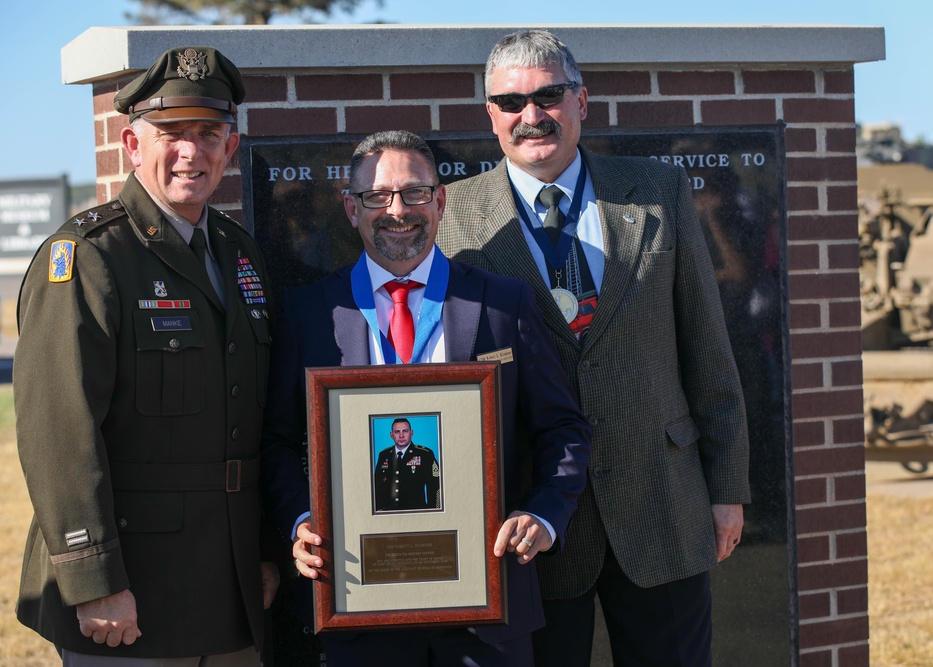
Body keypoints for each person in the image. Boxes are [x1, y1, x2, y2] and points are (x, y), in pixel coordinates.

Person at [437, 29, 751, 667]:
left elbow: (708, 348)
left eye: (549, 95)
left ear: (582, 101)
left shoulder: (657, 192)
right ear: (490, 115)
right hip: (531, 523)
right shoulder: (452, 215)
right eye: (511, 101)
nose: (532, 115)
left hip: (664, 500)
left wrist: (727, 487)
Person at [259, 129, 590, 666]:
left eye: (414, 193)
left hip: (487, 602)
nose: (398, 210)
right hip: (356, 603)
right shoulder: (308, 313)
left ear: (440, 201)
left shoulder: (504, 303)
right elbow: (275, 442)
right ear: (351, 208)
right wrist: (301, 522)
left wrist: (544, 515)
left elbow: (563, 429)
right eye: (377, 196)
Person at [14, 46, 278, 664]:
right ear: (132, 145)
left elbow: (257, 423)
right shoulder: (89, 257)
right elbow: (60, 431)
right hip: (129, 590)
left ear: (230, 149)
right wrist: (92, 578)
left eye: (208, 134)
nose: (192, 152)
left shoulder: (239, 253)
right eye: (172, 134)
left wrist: (265, 549)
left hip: (230, 583)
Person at [373, 417, 441, 511]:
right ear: (391, 435)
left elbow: (436, 487)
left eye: (405, 431)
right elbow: (377, 487)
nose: (401, 435)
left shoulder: (425, 454)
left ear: (411, 433)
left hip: (416, 513)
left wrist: (434, 513)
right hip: (388, 514)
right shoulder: (384, 455)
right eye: (397, 432)